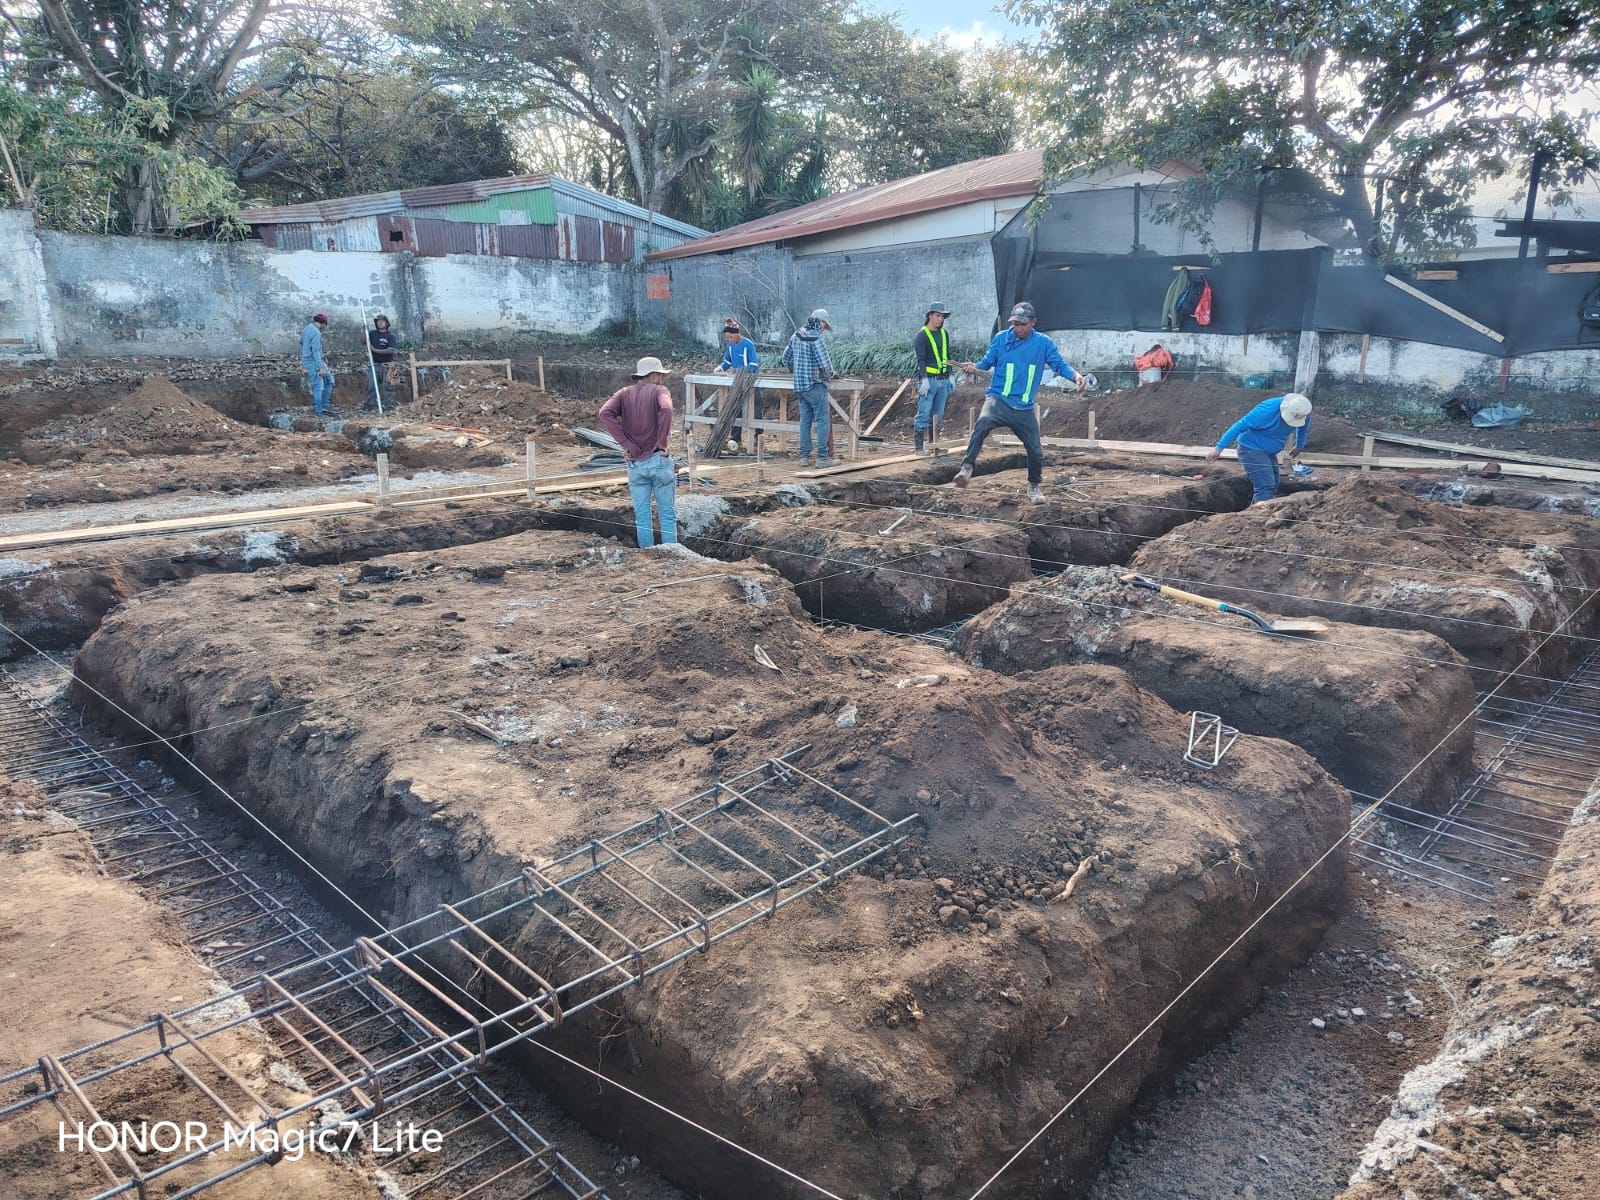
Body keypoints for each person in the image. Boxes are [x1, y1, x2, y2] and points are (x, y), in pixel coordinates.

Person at [952, 301, 1087, 504]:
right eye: (1015, 324)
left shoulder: (1043, 344)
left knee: (1035, 451)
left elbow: (1059, 364)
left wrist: (1075, 376)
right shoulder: (1001, 339)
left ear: (1033, 322)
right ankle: (967, 467)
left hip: (1024, 407)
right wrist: (974, 367)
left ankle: (1033, 486)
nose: (1018, 328)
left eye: (1022, 324)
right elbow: (986, 362)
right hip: (998, 400)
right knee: (982, 425)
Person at [599, 356, 678, 548]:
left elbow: (604, 413)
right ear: (654, 375)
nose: (661, 379)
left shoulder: (624, 393)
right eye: (660, 375)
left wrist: (626, 443)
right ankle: (672, 555)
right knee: (666, 514)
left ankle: (647, 555)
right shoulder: (660, 391)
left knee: (642, 517)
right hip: (658, 459)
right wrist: (661, 441)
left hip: (635, 463)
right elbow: (666, 408)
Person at [1205, 393, 1313, 504]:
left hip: (1269, 452)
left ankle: (1257, 509)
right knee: (1266, 485)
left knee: (1274, 483)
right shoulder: (1266, 410)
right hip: (1251, 448)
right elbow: (1240, 425)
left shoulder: (1303, 411)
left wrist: (1300, 445)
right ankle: (1255, 518)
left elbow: (1303, 427)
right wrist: (1218, 448)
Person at [782, 308, 835, 467]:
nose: (824, 329)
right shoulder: (816, 337)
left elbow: (786, 358)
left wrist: (796, 370)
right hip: (814, 385)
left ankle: (804, 457)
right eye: (825, 325)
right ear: (821, 322)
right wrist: (830, 376)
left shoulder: (796, 334)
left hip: (799, 385)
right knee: (822, 419)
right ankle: (822, 458)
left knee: (805, 420)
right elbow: (824, 365)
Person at [913, 302, 954, 455]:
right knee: (924, 413)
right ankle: (919, 448)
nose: (940, 319)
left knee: (938, 415)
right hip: (929, 381)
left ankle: (933, 446)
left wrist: (950, 375)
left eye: (942, 316)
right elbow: (921, 360)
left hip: (943, 380)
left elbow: (947, 357)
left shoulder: (944, 334)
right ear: (930, 315)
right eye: (938, 316)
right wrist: (923, 379)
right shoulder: (921, 335)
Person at [300, 312, 334, 417]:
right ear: (324, 323)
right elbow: (316, 351)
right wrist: (321, 368)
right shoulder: (316, 333)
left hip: (308, 360)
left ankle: (325, 405)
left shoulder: (307, 328)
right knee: (318, 386)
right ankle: (319, 411)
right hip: (314, 361)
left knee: (329, 380)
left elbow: (301, 341)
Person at [363, 314, 398, 413]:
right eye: (378, 321)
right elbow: (363, 341)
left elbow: (391, 350)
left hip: (389, 365)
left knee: (389, 388)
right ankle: (369, 406)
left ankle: (390, 408)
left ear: (386, 323)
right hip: (374, 364)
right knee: (370, 386)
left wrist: (374, 349)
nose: (379, 323)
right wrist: (364, 330)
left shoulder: (390, 336)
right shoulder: (372, 334)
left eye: (382, 321)